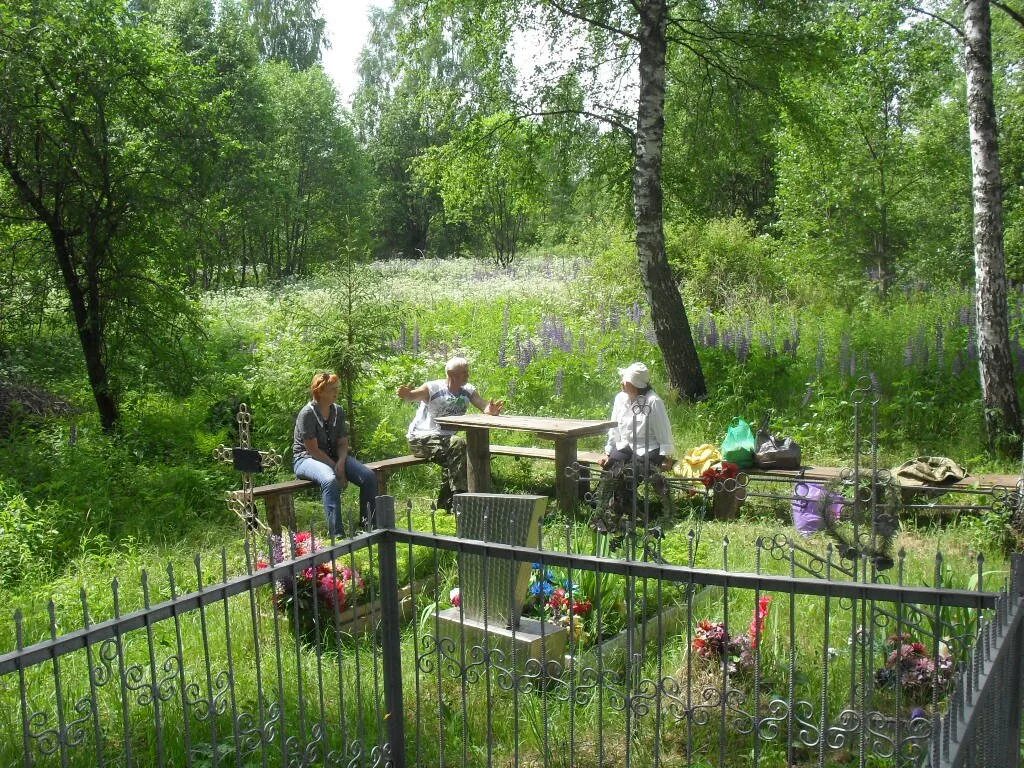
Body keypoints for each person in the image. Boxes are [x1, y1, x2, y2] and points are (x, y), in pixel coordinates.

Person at [397, 356, 504, 511]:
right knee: (459, 445)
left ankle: (447, 504)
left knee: (467, 451)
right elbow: (413, 395)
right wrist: (407, 394)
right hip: (421, 439)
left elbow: (482, 404)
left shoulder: (468, 390)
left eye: (468, 372)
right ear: (452, 375)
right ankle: (460, 499)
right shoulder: (433, 388)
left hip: (447, 442)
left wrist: (490, 410)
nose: (468, 376)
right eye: (464, 373)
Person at [592, 362, 676, 532]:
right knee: (611, 470)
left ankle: (620, 514)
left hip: (649, 448)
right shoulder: (620, 399)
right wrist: (608, 452)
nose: (622, 384)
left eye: (626, 382)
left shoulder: (653, 402)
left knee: (629, 475)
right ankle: (602, 513)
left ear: (637, 385)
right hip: (626, 446)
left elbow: (664, 432)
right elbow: (614, 428)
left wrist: (666, 456)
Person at [293, 372, 378, 536]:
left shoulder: (338, 411)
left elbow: (342, 442)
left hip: (334, 458)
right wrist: (336, 469)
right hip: (306, 459)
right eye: (332, 389)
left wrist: (341, 462)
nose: (336, 392)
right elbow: (313, 449)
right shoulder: (307, 413)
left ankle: (369, 526)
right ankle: (337, 536)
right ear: (320, 391)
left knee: (368, 476)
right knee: (330, 480)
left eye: (337, 388)